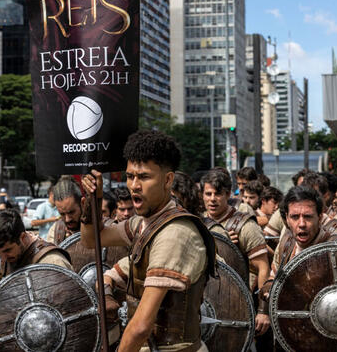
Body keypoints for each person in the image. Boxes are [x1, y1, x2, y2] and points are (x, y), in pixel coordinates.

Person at [80, 130, 215, 352]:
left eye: (143, 177)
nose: (133, 185)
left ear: (168, 180)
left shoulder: (175, 233)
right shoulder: (144, 223)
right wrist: (94, 200)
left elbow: (142, 326)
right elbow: (92, 240)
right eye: (130, 176)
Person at [201, 169, 271, 335]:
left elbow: (263, 267)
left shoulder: (244, 226)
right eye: (208, 193)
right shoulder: (197, 221)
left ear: (228, 194)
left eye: (217, 194)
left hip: (237, 304)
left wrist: (262, 311)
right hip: (203, 302)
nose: (212, 199)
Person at [259, 186, 337, 307]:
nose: (301, 224)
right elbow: (273, 276)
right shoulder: (286, 244)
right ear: (287, 218)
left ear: (320, 217)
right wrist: (268, 288)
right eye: (295, 217)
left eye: (308, 217)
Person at [0, 208, 72, 276]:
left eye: (7, 250)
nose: (3, 259)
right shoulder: (9, 258)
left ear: (22, 237)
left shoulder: (53, 262)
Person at [46, 178, 82, 245]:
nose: (67, 219)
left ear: (82, 204)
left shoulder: (98, 228)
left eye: (71, 212)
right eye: (62, 214)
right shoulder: (55, 231)